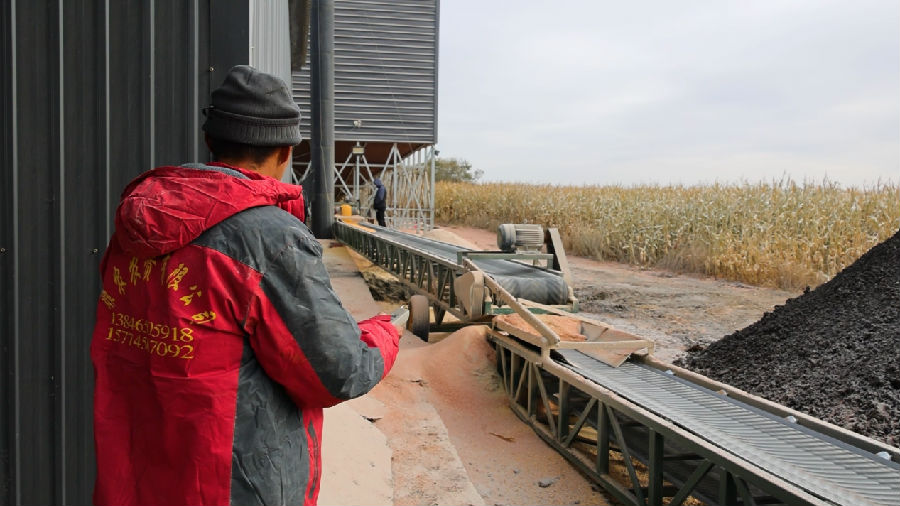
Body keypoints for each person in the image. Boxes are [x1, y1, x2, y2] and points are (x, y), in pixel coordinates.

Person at [90, 65, 401, 506]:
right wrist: (384, 334)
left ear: (210, 142)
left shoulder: (133, 227)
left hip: (136, 475)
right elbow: (338, 371)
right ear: (285, 151)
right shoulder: (268, 238)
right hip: (229, 487)